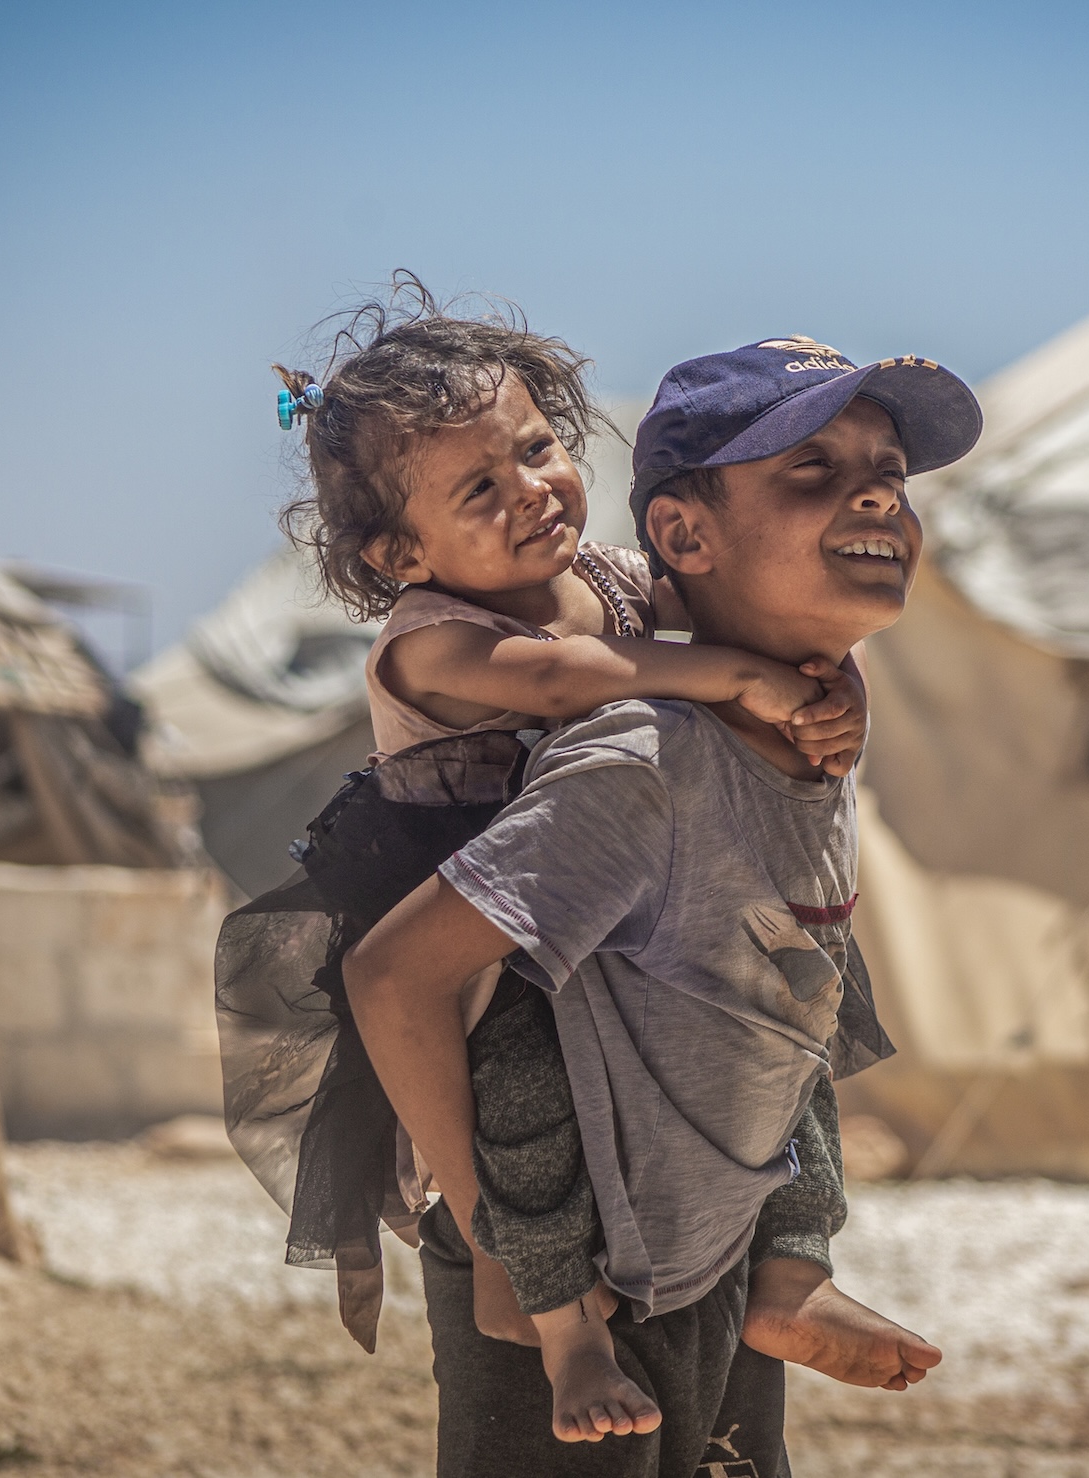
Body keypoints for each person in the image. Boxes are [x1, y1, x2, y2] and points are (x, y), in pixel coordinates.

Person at [345, 332, 980, 1475]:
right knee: (524, 1069)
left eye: (538, 450)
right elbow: (562, 685)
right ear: (401, 546)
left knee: (806, 1012)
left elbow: (733, 624)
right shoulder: (490, 668)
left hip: (696, 1220)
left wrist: (831, 697)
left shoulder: (628, 597)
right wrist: (734, 676)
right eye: (812, 467)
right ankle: (538, 1287)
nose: (879, 489)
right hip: (526, 1024)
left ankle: (792, 1270)